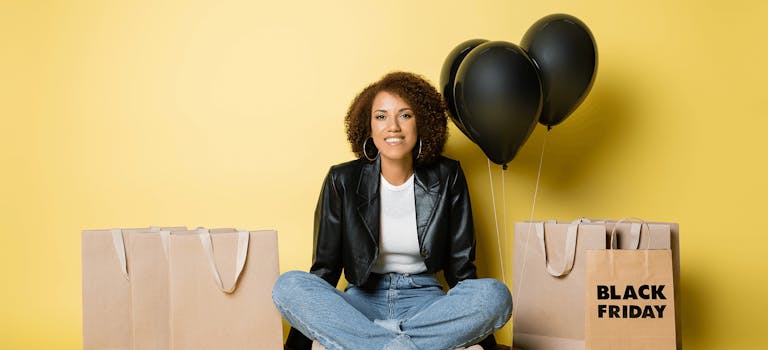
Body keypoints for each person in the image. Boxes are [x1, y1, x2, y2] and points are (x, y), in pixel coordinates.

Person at [272, 72, 512, 350]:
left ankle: (372, 343)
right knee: (288, 286)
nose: (393, 127)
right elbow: (324, 271)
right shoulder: (342, 180)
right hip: (360, 304)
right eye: (381, 116)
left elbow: (461, 271)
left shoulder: (448, 175)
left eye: (406, 115)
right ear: (368, 126)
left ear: (422, 122)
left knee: (495, 295)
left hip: (426, 304)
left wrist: (479, 326)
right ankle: (402, 344)